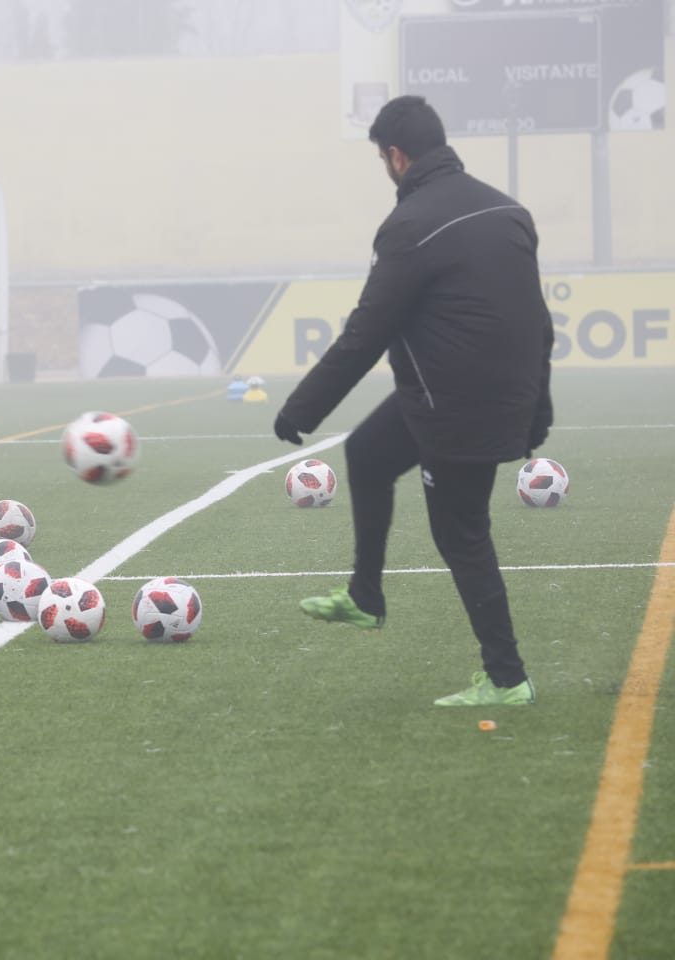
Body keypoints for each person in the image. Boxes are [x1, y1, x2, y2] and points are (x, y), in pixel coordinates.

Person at [273, 95, 553, 708]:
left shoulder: (409, 226)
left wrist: (301, 408)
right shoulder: (509, 210)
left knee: (461, 533)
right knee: (367, 452)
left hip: (453, 411)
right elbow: (538, 320)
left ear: (397, 156)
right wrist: (540, 403)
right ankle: (365, 598)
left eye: (382, 158)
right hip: (480, 394)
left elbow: (367, 330)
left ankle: (507, 679)